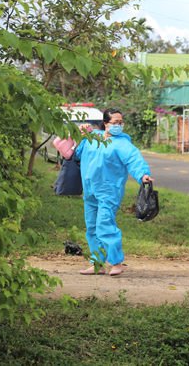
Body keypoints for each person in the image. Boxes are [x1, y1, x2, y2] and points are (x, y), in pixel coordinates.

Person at [75, 108, 153, 276]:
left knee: (105, 226)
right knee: (92, 228)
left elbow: (134, 159)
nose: (119, 125)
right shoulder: (92, 138)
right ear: (105, 124)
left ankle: (117, 263)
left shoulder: (123, 143)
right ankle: (97, 264)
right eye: (115, 123)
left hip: (109, 192)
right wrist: (79, 133)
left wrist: (143, 175)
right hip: (90, 192)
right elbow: (75, 153)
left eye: (121, 122)